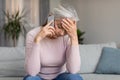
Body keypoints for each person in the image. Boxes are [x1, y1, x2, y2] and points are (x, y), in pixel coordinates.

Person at [23, 5, 83, 80]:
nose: (61, 33)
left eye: (66, 30)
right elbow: (32, 73)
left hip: (60, 77)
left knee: (75, 78)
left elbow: (73, 70)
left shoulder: (68, 36)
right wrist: (37, 40)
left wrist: (74, 38)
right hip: (38, 77)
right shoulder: (32, 35)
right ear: (50, 19)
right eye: (60, 26)